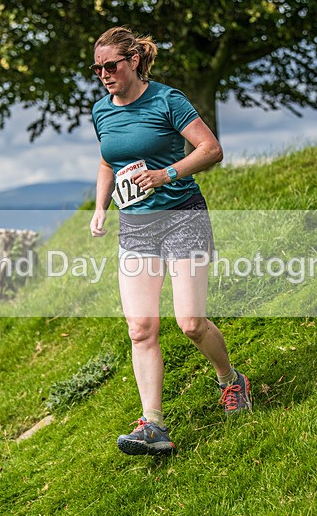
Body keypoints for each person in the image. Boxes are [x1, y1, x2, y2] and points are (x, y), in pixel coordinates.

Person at [88, 26, 252, 456]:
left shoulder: (167, 100)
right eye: (97, 68)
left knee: (191, 323)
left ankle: (231, 380)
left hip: (183, 218)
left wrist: (167, 174)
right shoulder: (101, 111)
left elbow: (211, 149)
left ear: (134, 61)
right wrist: (101, 206)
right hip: (136, 228)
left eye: (111, 66)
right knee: (140, 328)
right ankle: (153, 425)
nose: (104, 74)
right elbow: (108, 159)